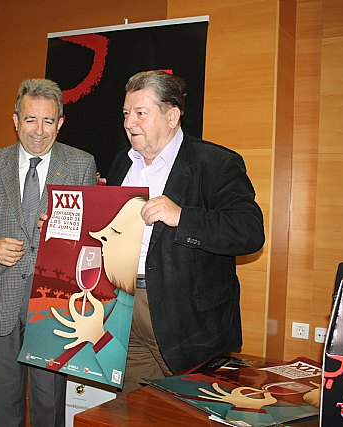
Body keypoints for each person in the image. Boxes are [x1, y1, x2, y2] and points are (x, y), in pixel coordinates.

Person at [108, 70, 265, 392]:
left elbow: (250, 231)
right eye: (126, 113)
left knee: (187, 412)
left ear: (172, 116)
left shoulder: (215, 162)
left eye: (140, 113)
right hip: (124, 308)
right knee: (135, 410)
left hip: (189, 321)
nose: (129, 123)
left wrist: (182, 216)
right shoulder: (122, 164)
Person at [0, 78, 97, 426]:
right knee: (4, 404)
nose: (38, 130)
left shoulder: (82, 164)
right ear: (16, 119)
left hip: (54, 303)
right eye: (30, 119)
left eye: (48, 121)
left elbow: (93, 237)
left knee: (49, 404)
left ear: (61, 123)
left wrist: (64, 231)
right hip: (1, 298)